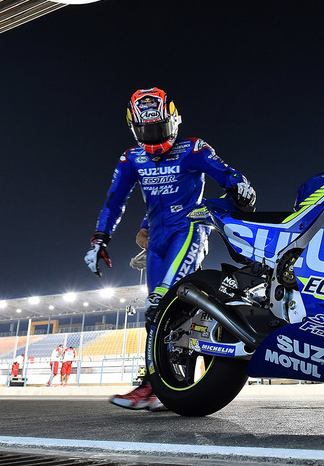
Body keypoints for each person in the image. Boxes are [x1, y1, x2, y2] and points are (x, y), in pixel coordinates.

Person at [84, 87, 256, 411]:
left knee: (160, 299)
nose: (152, 136)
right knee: (156, 315)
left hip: (188, 227)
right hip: (156, 240)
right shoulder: (130, 158)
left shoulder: (193, 148)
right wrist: (99, 239)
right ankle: (153, 385)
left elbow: (227, 173)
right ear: (134, 128)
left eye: (158, 128)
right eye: (145, 130)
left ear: (173, 119)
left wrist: (240, 186)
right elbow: (113, 202)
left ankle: (198, 372)